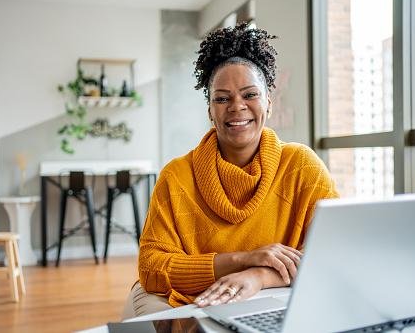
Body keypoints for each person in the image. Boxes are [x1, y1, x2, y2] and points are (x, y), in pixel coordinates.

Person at [132, 22, 338, 314]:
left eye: (250, 94)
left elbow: (332, 253)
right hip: (201, 300)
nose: (236, 106)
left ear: (268, 103)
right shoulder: (176, 176)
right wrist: (244, 259)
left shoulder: (302, 166)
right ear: (210, 111)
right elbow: (152, 268)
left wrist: (258, 275)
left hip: (279, 298)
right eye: (222, 98)